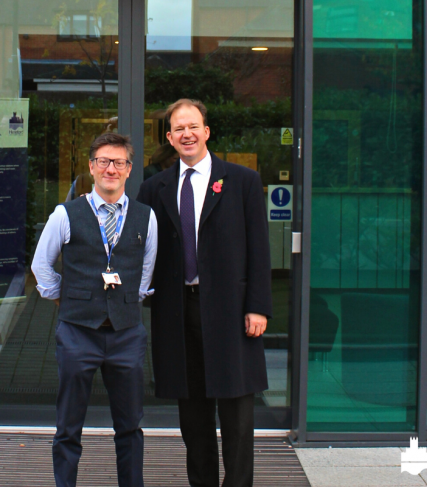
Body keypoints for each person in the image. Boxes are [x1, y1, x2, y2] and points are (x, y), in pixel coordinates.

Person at [136, 99, 271, 487]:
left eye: (193, 126)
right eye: (179, 129)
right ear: (170, 137)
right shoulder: (154, 188)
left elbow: (258, 250)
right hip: (178, 314)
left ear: (207, 132)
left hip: (232, 314)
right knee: (193, 421)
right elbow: (139, 245)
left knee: (237, 420)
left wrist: (258, 307)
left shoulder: (242, 182)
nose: (187, 134)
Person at [32, 133, 157, 487]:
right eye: (103, 161)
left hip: (126, 334)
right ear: (90, 167)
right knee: (69, 426)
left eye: (118, 162)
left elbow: (145, 275)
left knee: (130, 426)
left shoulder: (146, 218)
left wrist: (125, 302)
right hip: (77, 333)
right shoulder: (65, 214)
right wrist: (68, 297)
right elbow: (41, 268)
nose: (110, 169)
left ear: (129, 169)